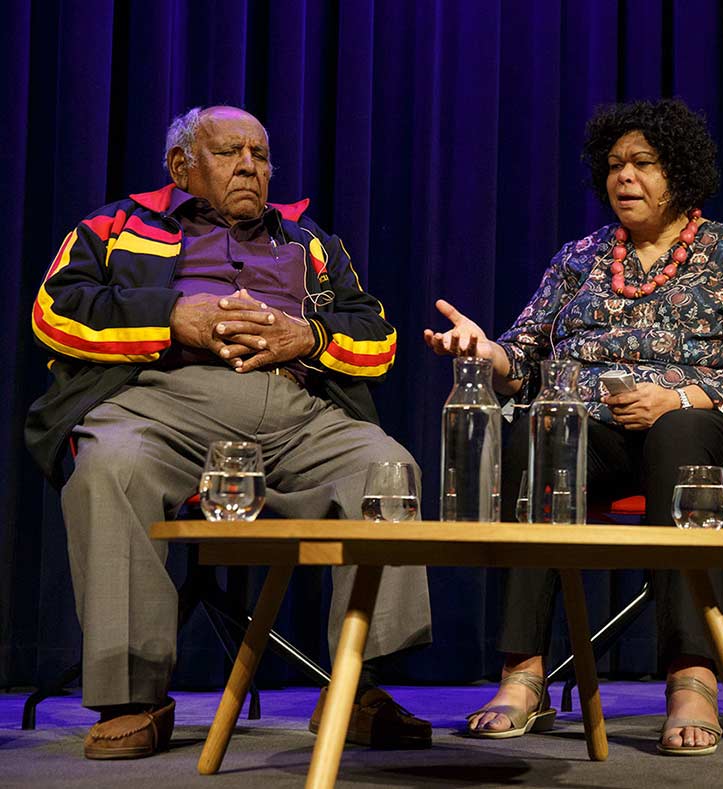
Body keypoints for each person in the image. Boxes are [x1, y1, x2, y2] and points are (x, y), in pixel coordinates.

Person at [26, 106, 434, 759]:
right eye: (230, 152)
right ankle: (135, 695)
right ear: (181, 166)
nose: (251, 165)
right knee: (110, 463)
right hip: (160, 405)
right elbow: (55, 313)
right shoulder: (117, 227)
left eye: (261, 154)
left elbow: (377, 337)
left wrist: (313, 334)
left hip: (295, 409)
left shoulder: (308, 241)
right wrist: (169, 317)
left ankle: (358, 685)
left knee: (381, 463)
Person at [424, 98, 723, 756]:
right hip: (595, 438)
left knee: (677, 433)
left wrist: (674, 394)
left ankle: (690, 674)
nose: (625, 176)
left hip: (708, 436)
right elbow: (523, 352)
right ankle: (522, 672)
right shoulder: (580, 258)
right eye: (615, 164)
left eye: (643, 163)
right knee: (540, 433)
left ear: (677, 171)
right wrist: (488, 354)